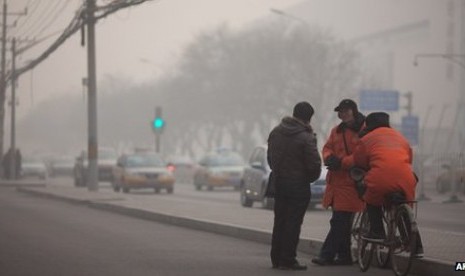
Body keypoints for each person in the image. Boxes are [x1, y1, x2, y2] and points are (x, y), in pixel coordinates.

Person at [352, 112, 423, 256]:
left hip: (380, 178)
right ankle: (415, 246)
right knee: (402, 207)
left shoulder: (366, 139)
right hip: (406, 178)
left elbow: (359, 161)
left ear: (369, 125)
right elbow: (408, 158)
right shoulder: (401, 137)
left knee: (370, 198)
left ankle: (377, 231)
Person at [267, 101, 322, 270]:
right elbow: (314, 165)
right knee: (293, 222)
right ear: (308, 118)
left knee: (280, 220)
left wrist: (278, 172)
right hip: (298, 185)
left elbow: (270, 158)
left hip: (279, 182)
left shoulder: (276, 131)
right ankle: (288, 259)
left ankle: (276, 258)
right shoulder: (306, 137)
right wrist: (309, 178)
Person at [312, 99, 366, 266]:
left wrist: (341, 162)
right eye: (340, 111)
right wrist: (329, 157)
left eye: (345, 110)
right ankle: (344, 256)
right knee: (341, 221)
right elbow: (327, 147)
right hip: (336, 183)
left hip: (351, 183)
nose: (342, 114)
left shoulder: (364, 131)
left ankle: (327, 255)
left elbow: (361, 155)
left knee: (339, 221)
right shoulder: (336, 131)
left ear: (353, 111)